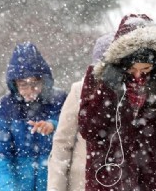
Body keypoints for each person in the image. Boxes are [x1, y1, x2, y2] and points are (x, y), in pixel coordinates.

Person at [78, 13, 156, 191]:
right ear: (120, 62)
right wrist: (108, 90)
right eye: (132, 68)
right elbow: (89, 129)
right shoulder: (97, 78)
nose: (138, 75)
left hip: (152, 181)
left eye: (146, 69)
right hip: (109, 180)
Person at [0, 42, 67, 191]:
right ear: (14, 84)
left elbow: (73, 128)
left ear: (43, 80)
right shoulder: (5, 106)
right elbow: (0, 153)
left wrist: (53, 125)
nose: (30, 90)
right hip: (18, 183)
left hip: (52, 181)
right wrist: (8, 187)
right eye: (23, 85)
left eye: (35, 83)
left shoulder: (59, 99)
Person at [47, 32, 114, 191]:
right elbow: (62, 143)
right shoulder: (80, 90)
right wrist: (56, 187)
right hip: (82, 183)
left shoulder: (131, 94)